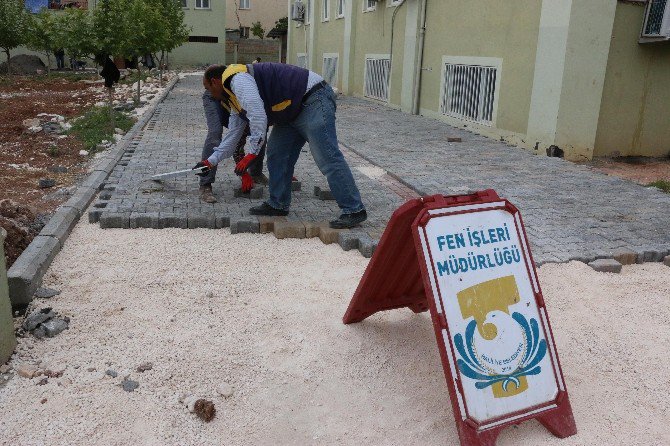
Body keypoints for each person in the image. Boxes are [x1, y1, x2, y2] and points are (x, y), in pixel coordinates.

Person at [194, 63, 366, 229]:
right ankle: (278, 204)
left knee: (326, 156)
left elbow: (258, 117)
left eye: (208, 88)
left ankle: (353, 209)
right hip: (290, 111)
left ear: (215, 81)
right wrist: (210, 162)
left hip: (313, 98)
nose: (210, 94)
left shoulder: (236, 80)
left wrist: (251, 153)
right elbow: (232, 137)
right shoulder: (233, 99)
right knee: (277, 154)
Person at [199, 86, 267, 203]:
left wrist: (283, 170)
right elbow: (235, 142)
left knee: (261, 136)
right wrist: (243, 173)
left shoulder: (258, 109)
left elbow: (259, 138)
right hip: (216, 94)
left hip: (235, 101)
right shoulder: (249, 105)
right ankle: (206, 184)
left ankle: (256, 173)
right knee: (215, 132)